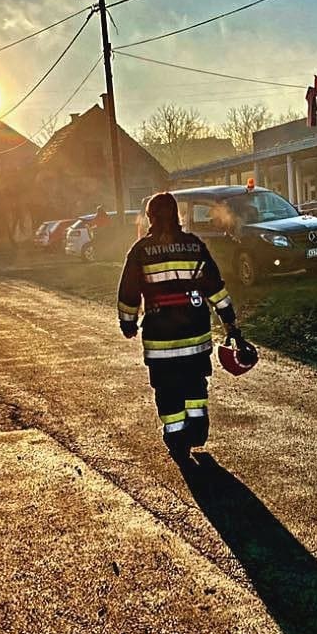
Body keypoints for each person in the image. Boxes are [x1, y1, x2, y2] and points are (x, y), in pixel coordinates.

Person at [117, 192, 242, 464]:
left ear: (150, 217)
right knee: (195, 384)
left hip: (160, 342)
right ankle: (197, 429)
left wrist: (127, 323)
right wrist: (230, 323)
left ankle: (177, 440)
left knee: (167, 391)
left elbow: (128, 292)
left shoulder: (140, 251)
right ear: (178, 215)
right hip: (195, 337)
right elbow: (216, 288)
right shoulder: (195, 246)